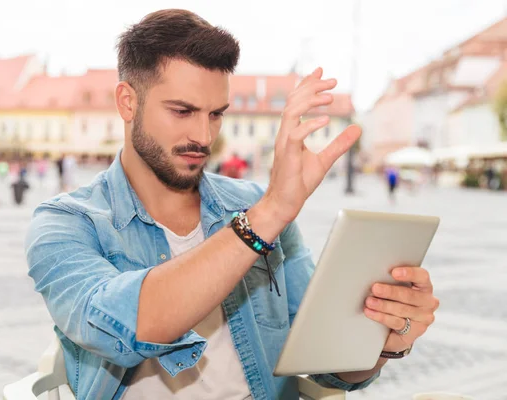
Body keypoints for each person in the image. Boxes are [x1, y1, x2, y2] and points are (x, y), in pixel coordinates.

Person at [25, 10, 440, 400]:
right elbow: (131, 326)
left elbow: (326, 363)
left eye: (216, 114)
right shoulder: (66, 223)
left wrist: (383, 340)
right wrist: (269, 214)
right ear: (127, 102)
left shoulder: (256, 206)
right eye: (182, 111)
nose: (203, 136)